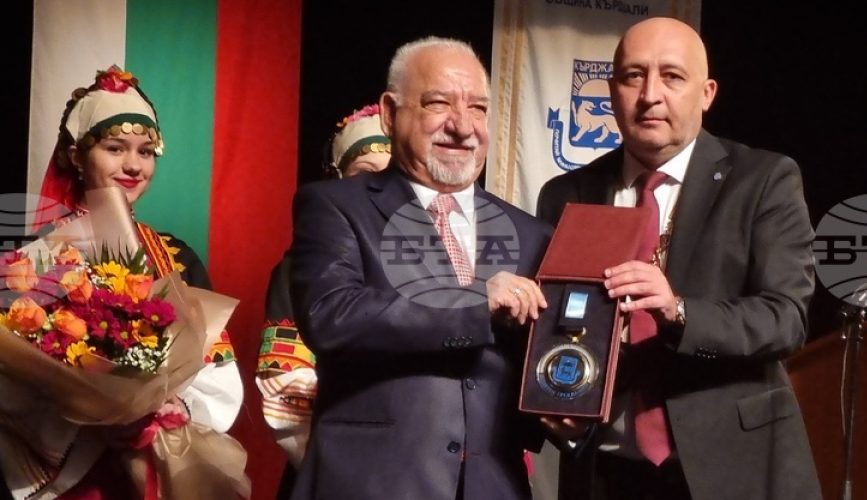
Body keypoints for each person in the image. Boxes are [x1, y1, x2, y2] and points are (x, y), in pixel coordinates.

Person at [537, 17, 822, 500]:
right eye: (633, 76)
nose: (650, 95)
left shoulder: (763, 180)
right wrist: (561, 406)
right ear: (612, 91)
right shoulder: (566, 194)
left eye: (672, 76)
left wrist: (679, 311)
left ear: (706, 93)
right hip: (605, 472)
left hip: (733, 470)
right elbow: (553, 326)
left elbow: (785, 318)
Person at [288, 37, 554, 500]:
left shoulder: (530, 233)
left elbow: (532, 361)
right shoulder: (336, 206)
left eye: (477, 108)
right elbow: (331, 314)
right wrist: (475, 302)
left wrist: (567, 410)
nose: (462, 126)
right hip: (370, 485)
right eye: (438, 103)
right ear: (390, 113)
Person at [0, 65, 244, 499]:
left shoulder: (176, 255)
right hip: (69, 478)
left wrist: (173, 406)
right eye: (115, 149)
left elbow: (214, 364)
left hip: (155, 461)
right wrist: (91, 415)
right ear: (77, 156)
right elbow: (12, 378)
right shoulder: (32, 258)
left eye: (146, 152)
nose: (133, 165)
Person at [255, 104, 391, 498]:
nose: (379, 188)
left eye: (392, 174)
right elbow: (285, 383)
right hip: (334, 471)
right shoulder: (302, 268)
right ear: (336, 179)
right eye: (364, 173)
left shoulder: (431, 264)